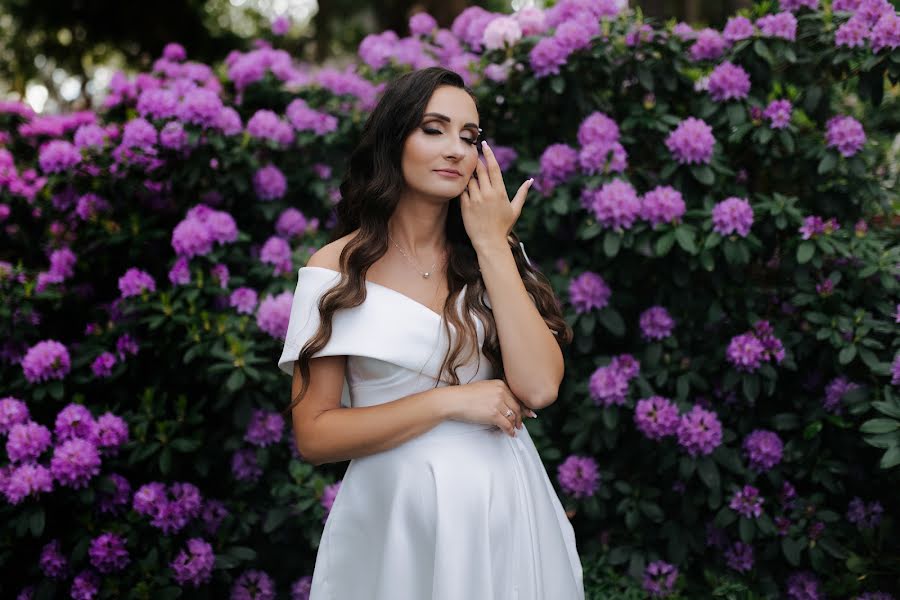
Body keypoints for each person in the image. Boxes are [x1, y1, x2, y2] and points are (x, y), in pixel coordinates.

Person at [277, 66, 584, 600]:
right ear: (395, 139)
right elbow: (315, 435)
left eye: (470, 137)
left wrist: (491, 244)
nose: (456, 150)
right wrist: (449, 403)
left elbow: (538, 388)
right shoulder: (335, 268)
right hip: (397, 519)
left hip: (504, 507)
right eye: (434, 129)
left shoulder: (494, 257)